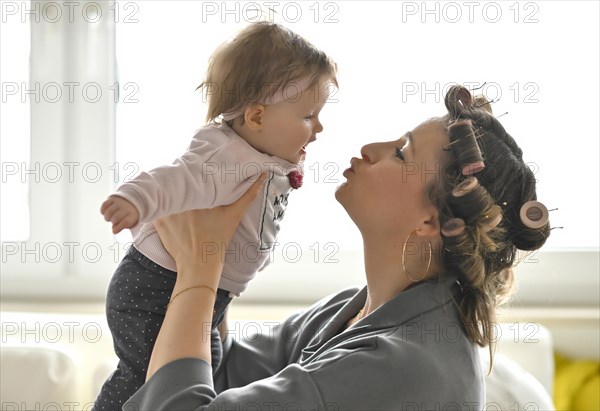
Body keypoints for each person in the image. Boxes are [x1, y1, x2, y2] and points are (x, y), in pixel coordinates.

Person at [123, 85, 551, 410]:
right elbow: (222, 371)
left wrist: (201, 269)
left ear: (431, 222)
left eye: (401, 153)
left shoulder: (402, 367)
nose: (371, 148)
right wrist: (227, 248)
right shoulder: (350, 310)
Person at [94, 22, 337, 410]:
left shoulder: (264, 154)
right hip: (154, 288)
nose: (319, 127)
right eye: (309, 116)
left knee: (211, 365)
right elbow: (174, 178)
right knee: (146, 379)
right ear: (256, 117)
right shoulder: (225, 156)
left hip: (199, 288)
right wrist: (135, 199)